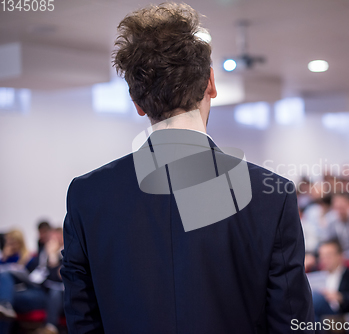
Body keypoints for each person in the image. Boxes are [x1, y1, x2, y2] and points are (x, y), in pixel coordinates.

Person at [60, 3, 314, 334]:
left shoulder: (87, 196)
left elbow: (83, 322)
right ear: (211, 82)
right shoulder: (271, 196)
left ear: (136, 102)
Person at [0, 228, 64, 334]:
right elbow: (30, 272)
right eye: (50, 238)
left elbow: (57, 280)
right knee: (5, 276)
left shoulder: (64, 256)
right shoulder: (41, 254)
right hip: (31, 287)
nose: (51, 241)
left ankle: (6, 305)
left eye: (55, 238)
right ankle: (6, 305)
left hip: (45, 293)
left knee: (5, 296)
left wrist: (52, 257)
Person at [311, 239, 349, 322]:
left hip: (340, 315)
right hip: (319, 314)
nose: (325, 260)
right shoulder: (315, 274)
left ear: (340, 256)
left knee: (316, 298)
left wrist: (339, 297)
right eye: (322, 256)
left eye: (328, 256)